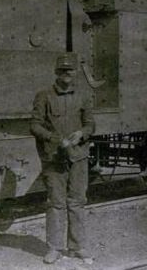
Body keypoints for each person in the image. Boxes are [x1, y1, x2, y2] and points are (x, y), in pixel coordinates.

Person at [31, 53, 95, 264]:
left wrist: (81, 134)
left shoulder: (84, 96)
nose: (66, 74)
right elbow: (35, 125)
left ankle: (78, 247)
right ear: (56, 73)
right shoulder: (44, 96)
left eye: (70, 70)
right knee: (56, 204)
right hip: (54, 159)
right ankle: (54, 248)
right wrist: (54, 139)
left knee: (77, 202)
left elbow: (90, 124)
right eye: (62, 70)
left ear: (76, 72)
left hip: (78, 157)